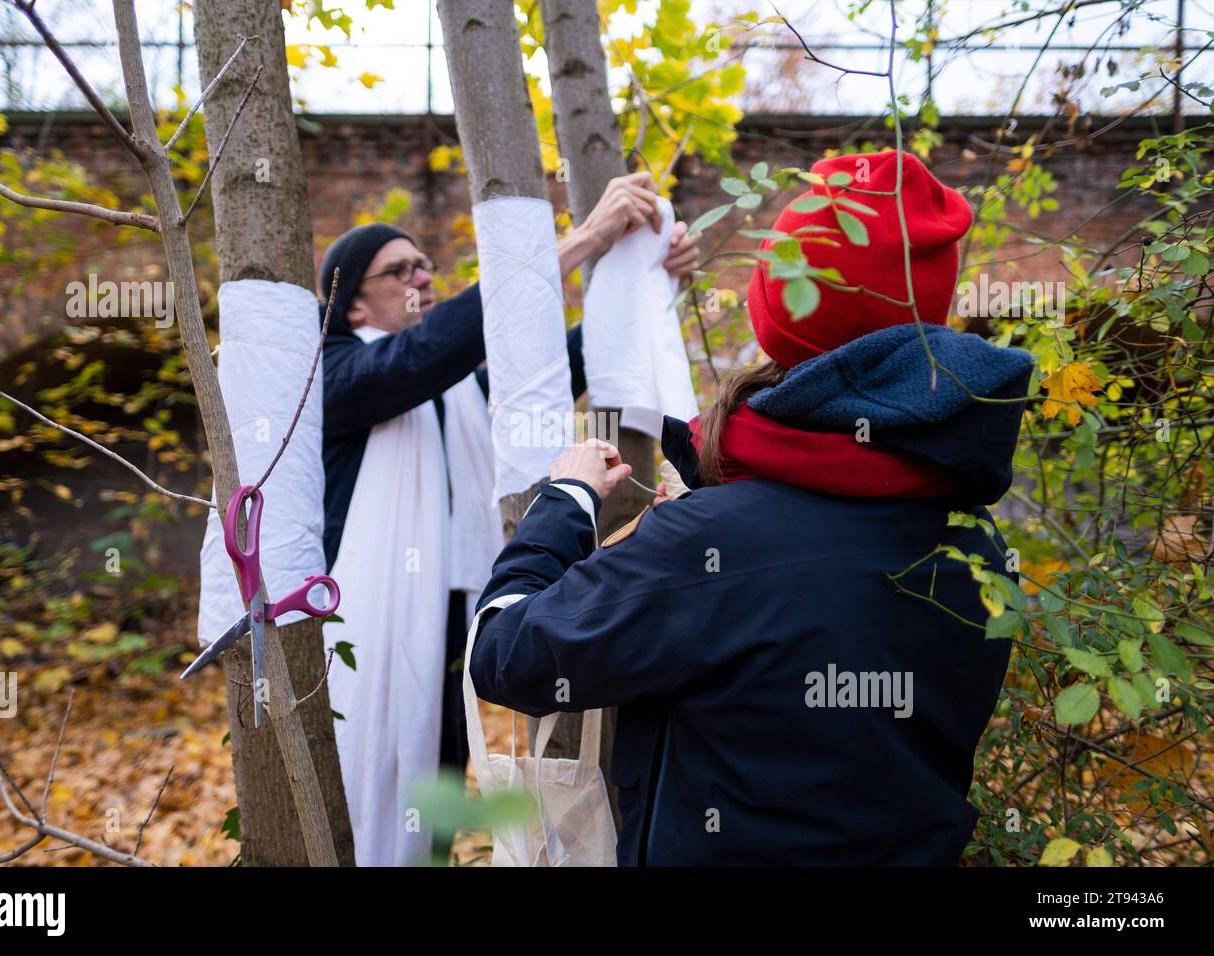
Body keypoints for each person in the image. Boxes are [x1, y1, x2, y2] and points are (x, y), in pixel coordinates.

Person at [466, 149, 1036, 866]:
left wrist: (567, 500)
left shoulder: (712, 548)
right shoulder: (974, 540)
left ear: (779, 311)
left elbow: (504, 654)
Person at [319, 171, 700, 866]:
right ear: (350, 302)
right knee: (363, 777)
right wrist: (583, 240)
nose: (421, 275)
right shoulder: (335, 373)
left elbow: (561, 359)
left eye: (424, 264)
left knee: (437, 773)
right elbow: (428, 351)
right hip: (364, 625)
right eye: (397, 269)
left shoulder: (454, 388)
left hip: (449, 611)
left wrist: (648, 283)